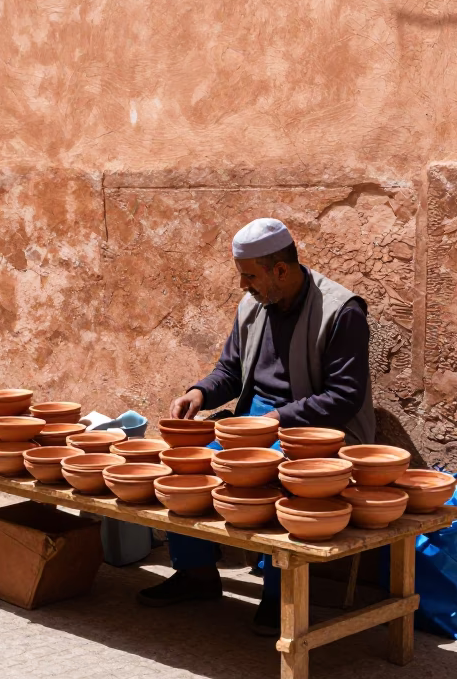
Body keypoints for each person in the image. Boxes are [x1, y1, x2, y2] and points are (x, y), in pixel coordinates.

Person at [138, 217, 375, 635]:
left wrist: (277, 419)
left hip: (318, 433)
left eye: (249, 276)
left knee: (274, 478)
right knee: (186, 467)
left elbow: (344, 397)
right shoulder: (254, 306)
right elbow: (230, 369)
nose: (243, 285)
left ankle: (278, 597)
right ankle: (196, 574)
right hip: (256, 425)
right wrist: (200, 393)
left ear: (279, 270)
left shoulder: (342, 311)